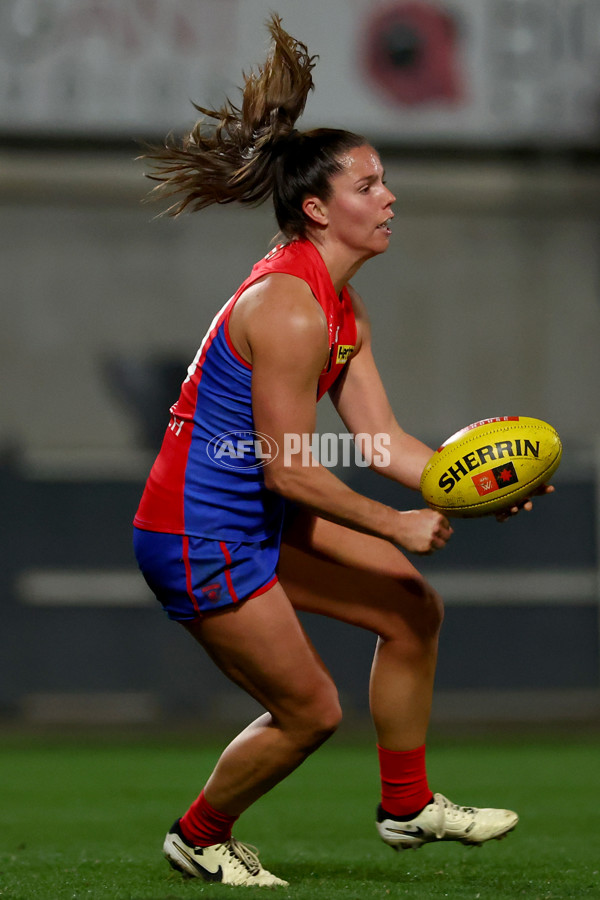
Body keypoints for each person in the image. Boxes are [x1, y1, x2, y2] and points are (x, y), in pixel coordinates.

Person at [133, 15, 549, 888]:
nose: (390, 196)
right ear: (319, 207)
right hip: (197, 532)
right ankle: (200, 835)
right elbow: (287, 465)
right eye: (371, 183)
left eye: (386, 180)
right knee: (310, 711)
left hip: (253, 520)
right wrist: (396, 522)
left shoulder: (340, 309)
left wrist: (477, 487)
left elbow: (384, 442)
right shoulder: (287, 307)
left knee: (409, 609)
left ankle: (407, 806)